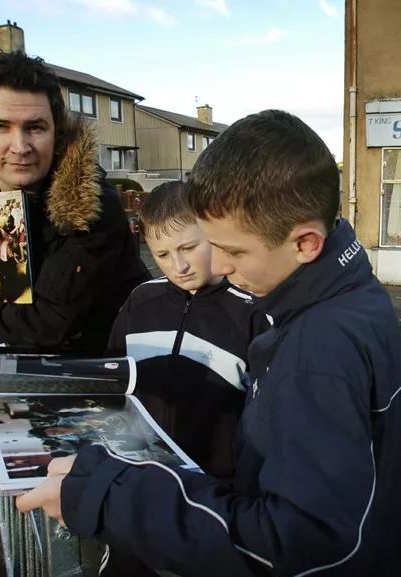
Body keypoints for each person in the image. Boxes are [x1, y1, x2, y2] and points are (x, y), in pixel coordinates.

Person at [16, 109, 401, 575]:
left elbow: (298, 541)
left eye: (234, 251)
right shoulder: (354, 296)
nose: (224, 267)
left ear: (306, 243)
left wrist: (110, 496)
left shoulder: (316, 349)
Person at [0, 51, 149, 353]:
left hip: (96, 369)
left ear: (55, 129)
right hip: (1, 372)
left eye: (35, 127)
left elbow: (51, 323)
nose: (20, 147)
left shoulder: (90, 208)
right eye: (0, 127)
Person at [101, 181, 269, 576]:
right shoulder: (139, 302)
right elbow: (111, 385)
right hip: (137, 487)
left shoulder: (252, 314)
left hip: (212, 498)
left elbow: (265, 421)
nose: (179, 266)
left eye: (189, 247)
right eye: (162, 254)